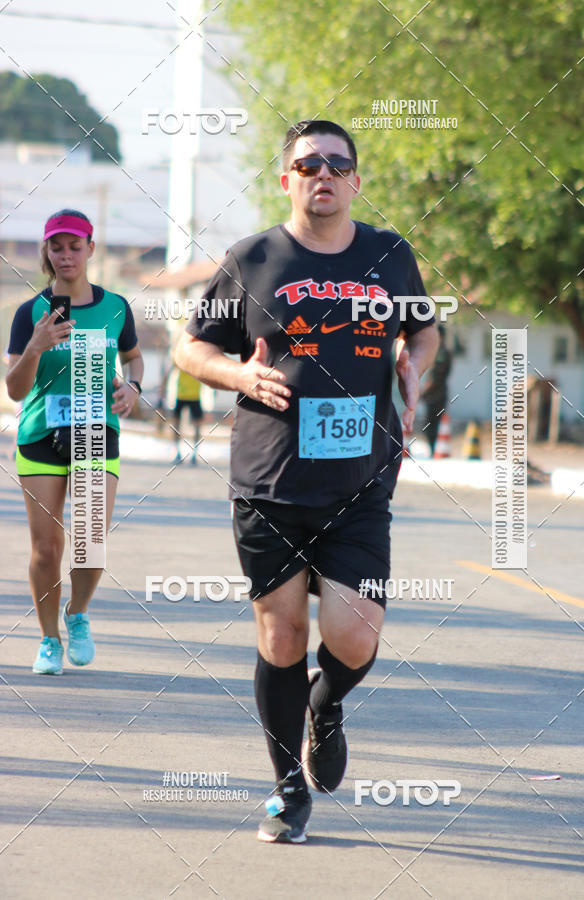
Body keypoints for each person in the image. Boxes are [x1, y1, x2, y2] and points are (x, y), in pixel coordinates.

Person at [175, 120, 439, 843]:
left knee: (354, 637)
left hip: (360, 479)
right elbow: (190, 346)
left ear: (355, 179)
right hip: (270, 480)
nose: (323, 173)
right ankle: (288, 791)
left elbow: (423, 328)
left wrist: (417, 365)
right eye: (307, 163)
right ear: (287, 178)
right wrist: (237, 371)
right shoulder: (253, 258)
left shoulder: (390, 254)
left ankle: (326, 706)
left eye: (337, 163)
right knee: (281, 632)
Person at [6, 209, 143, 675]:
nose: (66, 254)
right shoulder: (30, 313)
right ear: (46, 251)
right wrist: (35, 346)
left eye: (74, 245)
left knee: (89, 542)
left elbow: (134, 358)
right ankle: (48, 640)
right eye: (57, 246)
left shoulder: (115, 307)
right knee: (47, 548)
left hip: (94, 430)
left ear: (90, 249)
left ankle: (77, 614)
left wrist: (134, 387)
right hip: (41, 434)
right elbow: (14, 389)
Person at [421, 323, 452, 455]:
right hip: (435, 393)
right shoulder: (438, 351)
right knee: (430, 424)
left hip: (436, 394)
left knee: (432, 424)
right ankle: (433, 449)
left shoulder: (441, 352)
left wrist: (424, 391)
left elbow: (436, 376)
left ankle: (434, 450)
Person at [169, 365, 204, 464]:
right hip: (181, 394)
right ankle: (177, 452)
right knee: (176, 424)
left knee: (197, 425)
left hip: (195, 395)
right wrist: (163, 387)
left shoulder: (199, 356)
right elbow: (170, 369)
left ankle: (195, 453)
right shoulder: (180, 353)